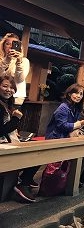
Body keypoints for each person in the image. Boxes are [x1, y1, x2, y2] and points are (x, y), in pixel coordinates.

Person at [0, 75, 39, 203]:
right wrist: (16, 118)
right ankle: (22, 183)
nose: (8, 90)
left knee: (39, 152)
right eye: (5, 86)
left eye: (11, 87)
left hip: (9, 142)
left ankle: (22, 182)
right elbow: (1, 130)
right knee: (36, 155)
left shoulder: (6, 104)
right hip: (3, 147)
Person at [0, 33, 30, 107]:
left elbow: (19, 80)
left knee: (13, 116)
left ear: (19, 47)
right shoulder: (1, 60)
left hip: (16, 97)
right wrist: (6, 60)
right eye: (7, 44)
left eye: (14, 44)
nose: (11, 46)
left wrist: (19, 62)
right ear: (3, 46)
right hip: (0, 94)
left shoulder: (24, 61)